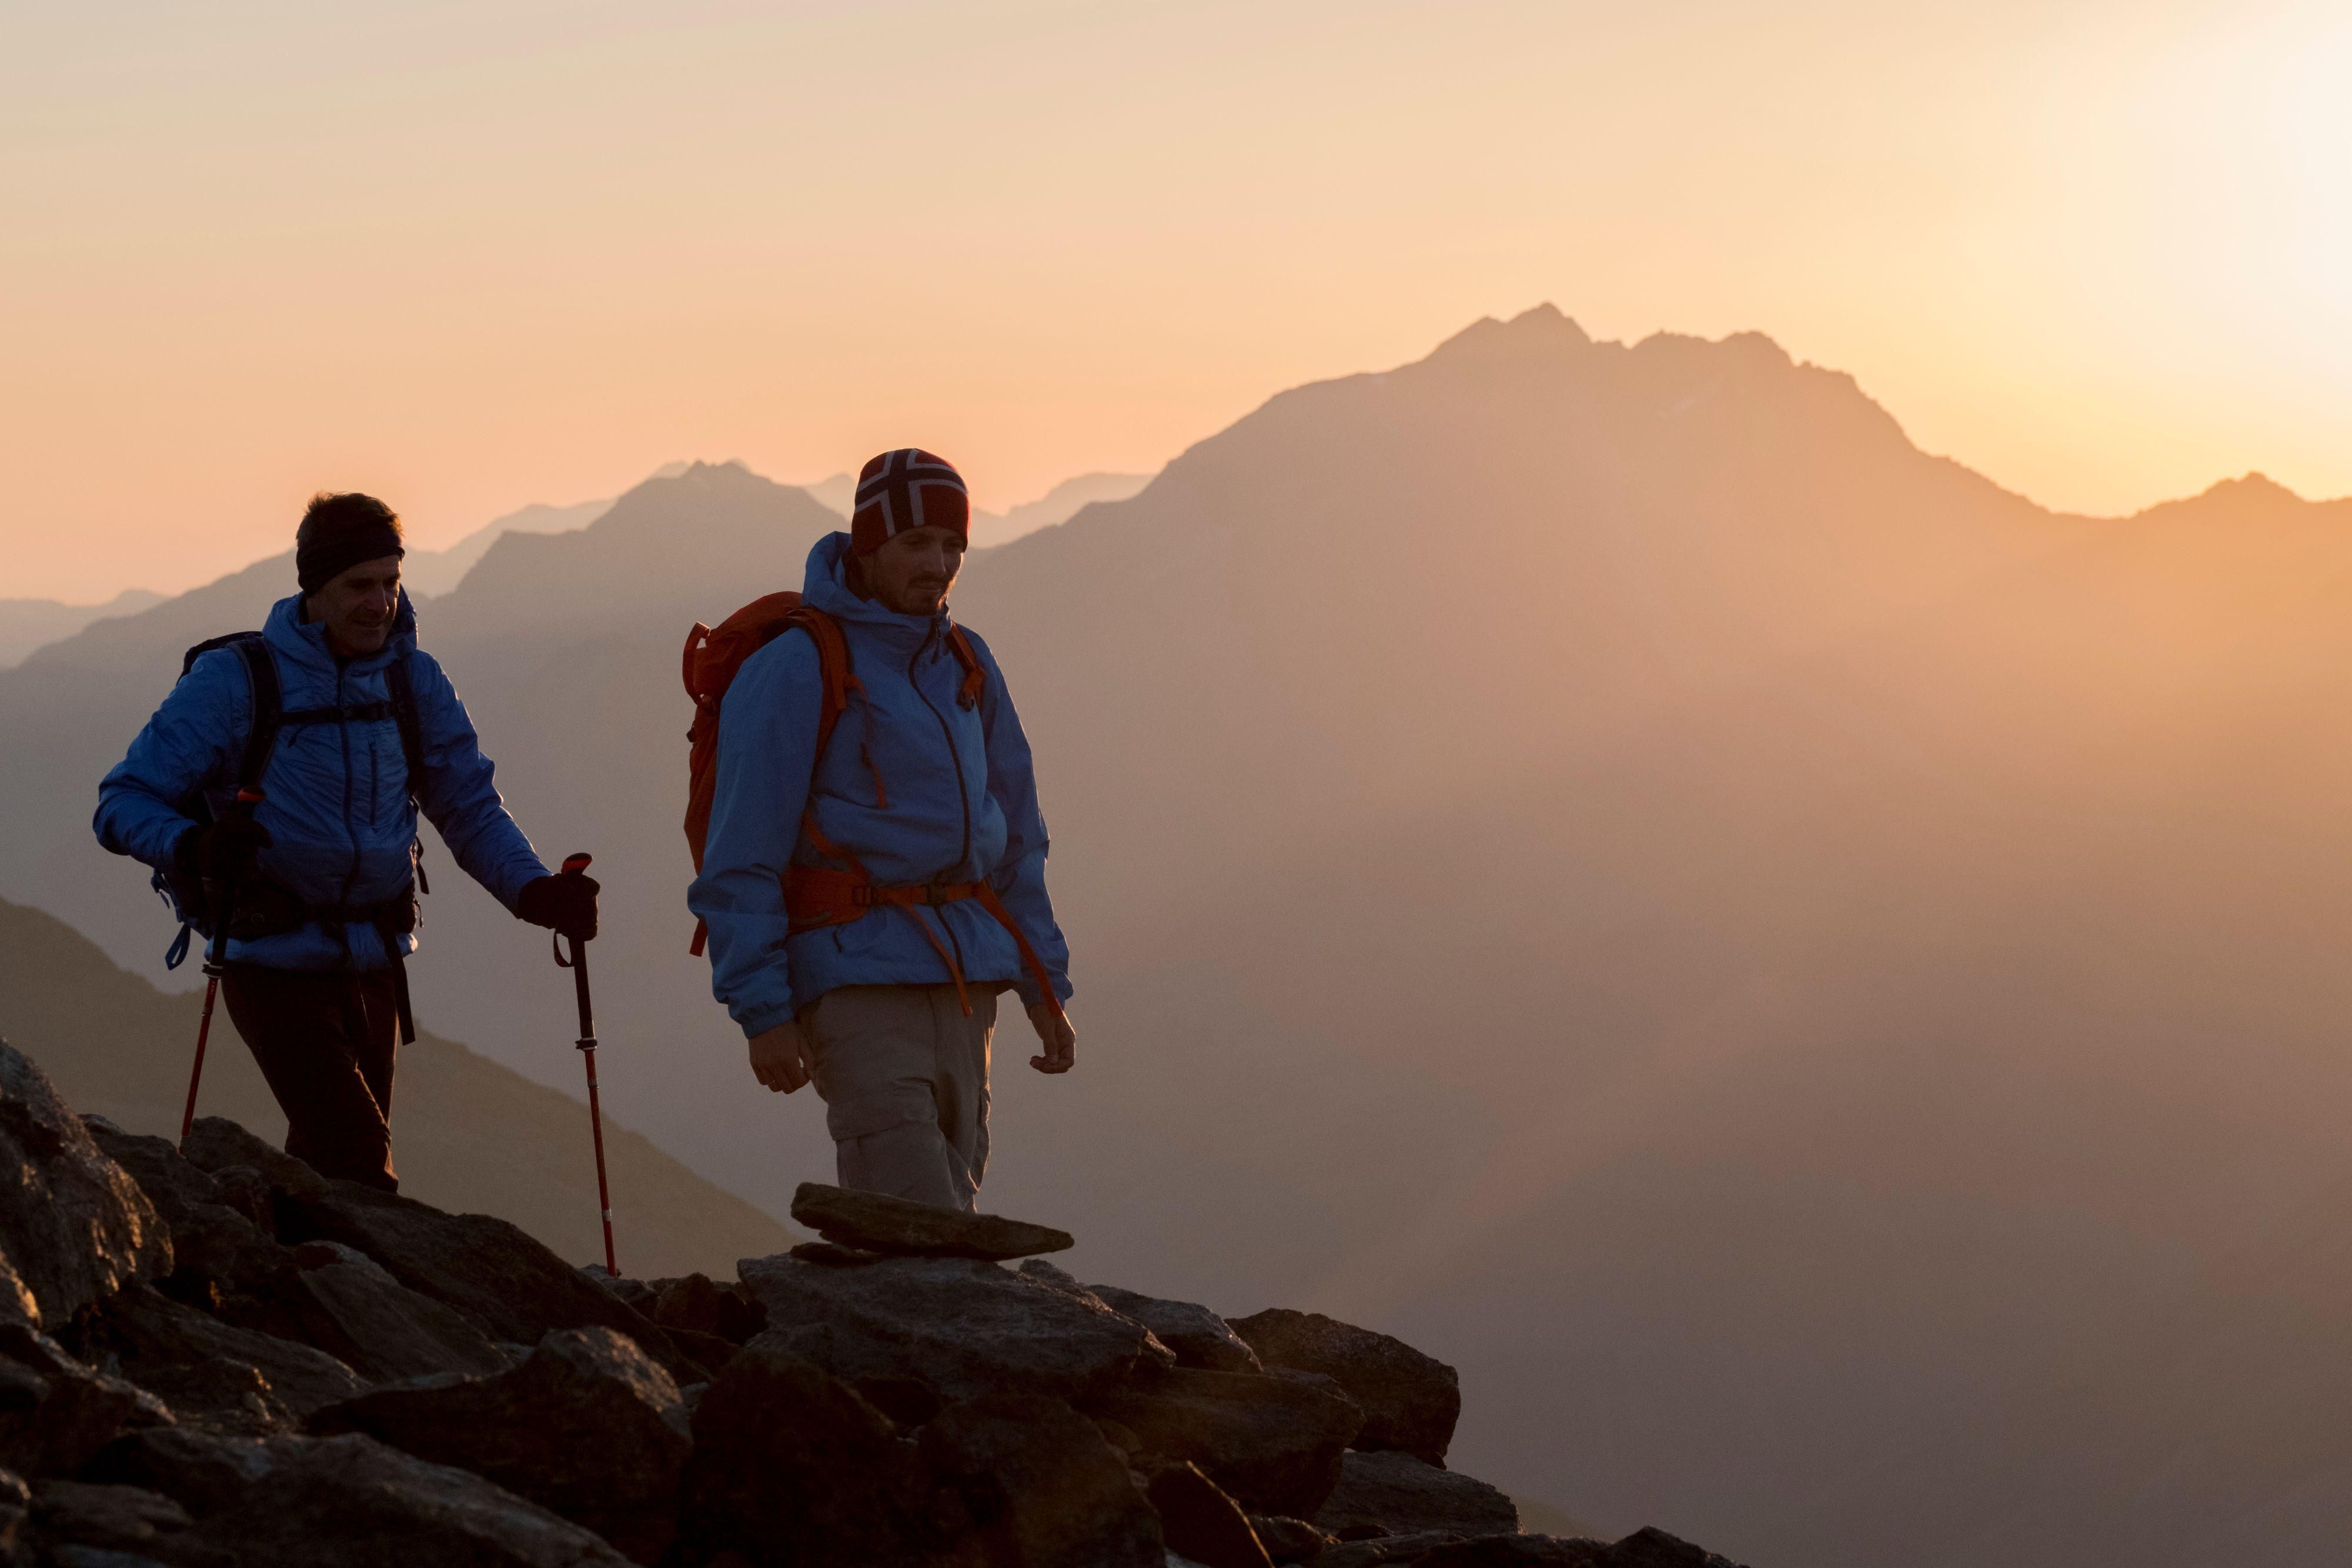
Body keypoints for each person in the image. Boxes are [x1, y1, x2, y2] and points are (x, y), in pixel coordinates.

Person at [95, 492, 596, 1189]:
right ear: (315, 589)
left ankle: (287, 1281)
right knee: (358, 1157)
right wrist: (193, 848)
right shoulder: (238, 683)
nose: (380, 604)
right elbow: (122, 801)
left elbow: (468, 806)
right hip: (269, 957)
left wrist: (535, 890)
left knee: (328, 1172)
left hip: (375, 962)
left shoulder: (411, 681)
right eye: (360, 585)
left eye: (392, 582)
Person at [690, 447, 1075, 1212]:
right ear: (867, 544)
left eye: (953, 545)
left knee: (954, 1206)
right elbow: (743, 851)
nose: (939, 563)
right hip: (855, 979)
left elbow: (1018, 839)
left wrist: (1043, 982)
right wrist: (762, 1008)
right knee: (914, 1218)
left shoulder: (966, 661)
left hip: (968, 987)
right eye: (917, 543)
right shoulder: (800, 663)